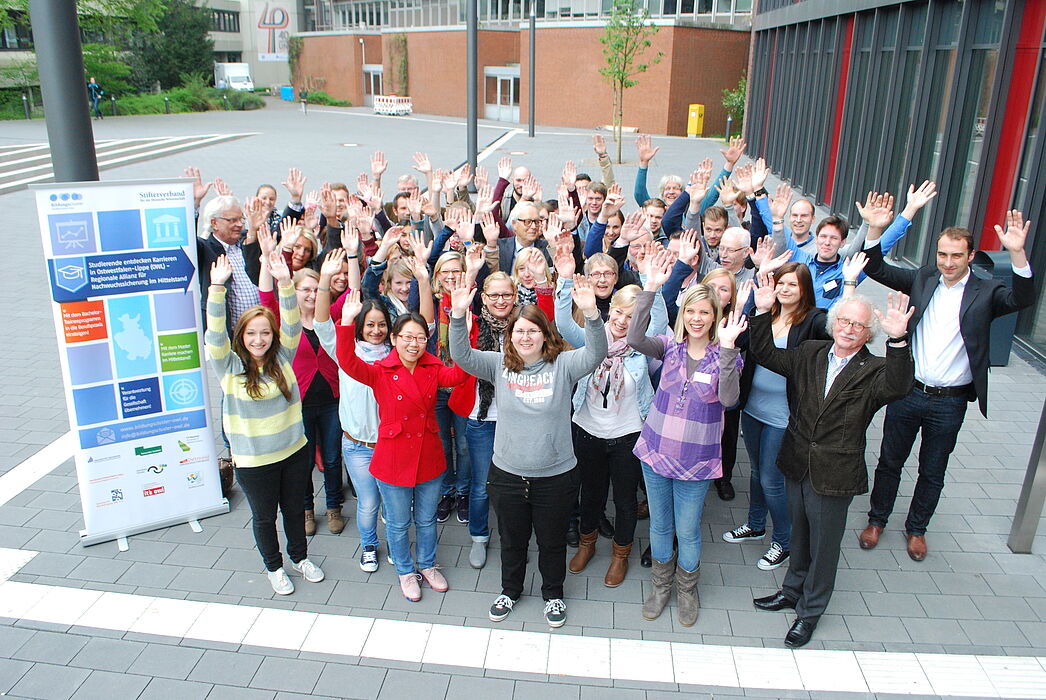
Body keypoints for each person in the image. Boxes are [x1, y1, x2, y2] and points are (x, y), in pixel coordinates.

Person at [858, 209, 1035, 561]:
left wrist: (1017, 253)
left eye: (956, 255)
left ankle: (917, 529)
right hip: (908, 391)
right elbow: (875, 268)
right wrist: (875, 230)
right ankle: (877, 520)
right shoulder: (924, 279)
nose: (948, 262)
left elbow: (1023, 299)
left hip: (949, 401)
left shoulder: (986, 291)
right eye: (942, 254)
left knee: (933, 469)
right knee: (890, 461)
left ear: (971, 256)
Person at [748, 275, 914, 647]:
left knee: (824, 546)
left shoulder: (875, 370)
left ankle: (810, 612)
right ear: (834, 323)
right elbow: (766, 355)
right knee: (798, 532)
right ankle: (791, 591)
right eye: (844, 321)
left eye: (859, 325)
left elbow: (900, 386)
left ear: (869, 332)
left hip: (835, 472)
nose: (849, 329)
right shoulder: (811, 352)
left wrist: (899, 340)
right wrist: (760, 312)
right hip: (797, 461)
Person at [448, 276, 608, 628]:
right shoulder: (497, 365)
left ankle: (553, 594)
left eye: (533, 330)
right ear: (511, 336)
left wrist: (592, 315)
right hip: (507, 475)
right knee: (512, 540)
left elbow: (597, 352)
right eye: (519, 331)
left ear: (545, 335)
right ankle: (510, 590)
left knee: (551, 543)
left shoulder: (564, 366)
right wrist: (458, 315)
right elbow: (460, 354)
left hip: (556, 476)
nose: (525, 337)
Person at [628, 266, 746, 628]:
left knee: (688, 529)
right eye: (691, 311)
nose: (697, 318)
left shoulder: (728, 356)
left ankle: (687, 590)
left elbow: (728, 399)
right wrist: (649, 290)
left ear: (716, 317)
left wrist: (727, 349)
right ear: (684, 315)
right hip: (655, 453)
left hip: (696, 461)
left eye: (704, 312)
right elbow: (634, 339)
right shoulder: (669, 346)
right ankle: (661, 587)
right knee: (661, 527)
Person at [205, 251, 325, 595]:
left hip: (294, 453)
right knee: (263, 517)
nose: (259, 340)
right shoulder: (228, 368)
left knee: (293, 511)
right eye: (251, 334)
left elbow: (291, 322)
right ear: (241, 336)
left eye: (265, 334)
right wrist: (217, 289)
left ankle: (300, 558)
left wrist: (285, 282)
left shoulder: (283, 357)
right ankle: (274, 567)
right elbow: (215, 337)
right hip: (255, 462)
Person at [335, 292, 468, 602]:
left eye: (420, 337)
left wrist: (459, 324)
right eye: (407, 336)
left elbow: (461, 373)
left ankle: (427, 564)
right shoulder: (380, 371)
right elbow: (347, 361)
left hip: (429, 457)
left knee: (425, 519)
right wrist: (346, 321)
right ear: (394, 339)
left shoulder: (433, 368)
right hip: (393, 459)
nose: (413, 343)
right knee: (397, 522)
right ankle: (406, 571)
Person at [555, 243, 670, 587]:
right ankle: (587, 544)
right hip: (588, 430)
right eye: (618, 313)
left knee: (624, 499)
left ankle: (621, 554)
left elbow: (660, 319)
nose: (622, 320)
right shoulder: (593, 340)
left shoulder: (643, 348)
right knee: (589, 493)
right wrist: (563, 281)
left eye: (631, 316)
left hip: (628, 435)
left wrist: (653, 284)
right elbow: (563, 324)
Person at [722, 261, 830, 571]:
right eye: (780, 283)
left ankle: (784, 541)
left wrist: (848, 285)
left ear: (804, 289)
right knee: (757, 471)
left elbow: (833, 332)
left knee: (772, 480)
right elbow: (739, 341)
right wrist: (750, 308)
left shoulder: (813, 320)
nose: (784, 289)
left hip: (782, 415)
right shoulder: (766, 314)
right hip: (753, 408)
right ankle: (755, 524)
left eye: (792, 285)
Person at [256, 228, 344, 537]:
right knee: (304, 461)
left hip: (332, 400)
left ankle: (334, 507)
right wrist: (269, 256)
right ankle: (307, 509)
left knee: (333, 458)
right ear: (293, 291)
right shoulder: (284, 319)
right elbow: (266, 297)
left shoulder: (329, 314)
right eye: (303, 289)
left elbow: (354, 291)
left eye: (314, 289)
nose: (309, 294)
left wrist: (357, 255)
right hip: (299, 401)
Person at [314, 251, 391, 572]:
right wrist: (323, 282)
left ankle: (397, 543)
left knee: (393, 503)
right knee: (369, 502)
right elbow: (320, 324)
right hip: (357, 445)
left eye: (382, 325)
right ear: (359, 327)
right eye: (369, 324)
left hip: (390, 445)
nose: (375, 330)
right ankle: (369, 545)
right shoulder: (347, 352)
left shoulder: (396, 353)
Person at [447, 272, 516, 568]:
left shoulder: (523, 326)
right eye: (494, 295)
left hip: (518, 419)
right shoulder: (473, 325)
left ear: (515, 296)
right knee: (481, 483)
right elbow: (458, 350)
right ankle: (478, 536)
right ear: (484, 298)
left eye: (506, 295)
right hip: (482, 417)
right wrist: (459, 312)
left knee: (514, 482)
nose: (501, 301)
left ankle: (514, 534)